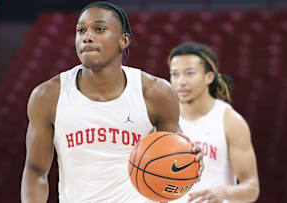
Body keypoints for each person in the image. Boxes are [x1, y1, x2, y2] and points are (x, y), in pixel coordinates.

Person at [21, 2, 203, 203]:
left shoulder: (156, 93)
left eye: (99, 29)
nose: (87, 37)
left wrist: (191, 164)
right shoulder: (47, 96)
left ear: (123, 40)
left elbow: (175, 164)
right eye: (81, 30)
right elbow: (36, 171)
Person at [167, 42, 260, 203]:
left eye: (190, 73)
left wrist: (225, 192)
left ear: (209, 77)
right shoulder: (164, 117)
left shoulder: (230, 120)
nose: (181, 82)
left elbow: (252, 189)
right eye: (175, 74)